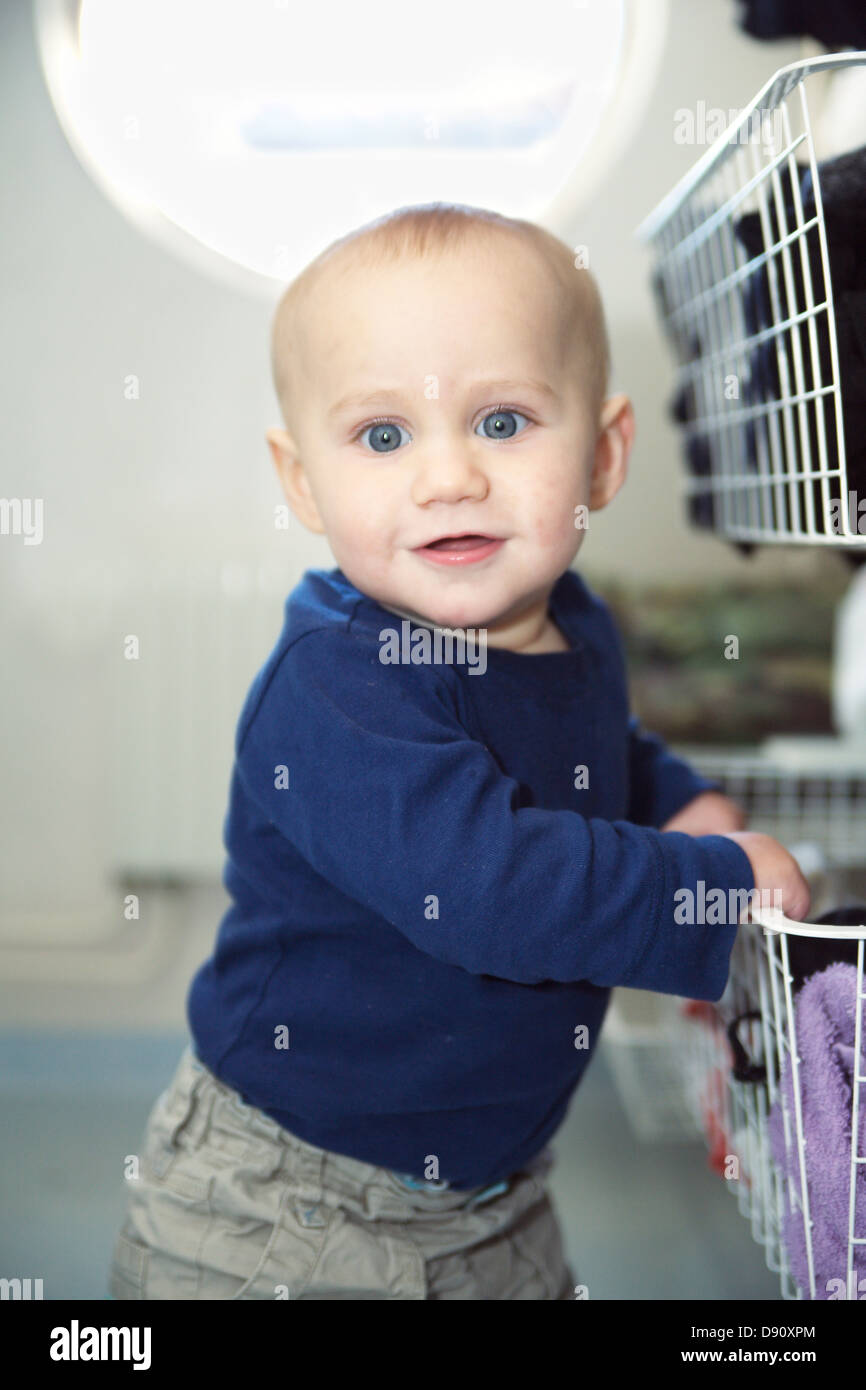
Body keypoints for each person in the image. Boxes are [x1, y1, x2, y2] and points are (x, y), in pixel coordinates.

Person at [108, 202, 810, 1301]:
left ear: (603, 452)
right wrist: (708, 886)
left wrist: (676, 799)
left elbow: (592, 754)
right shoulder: (337, 685)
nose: (447, 478)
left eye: (501, 422)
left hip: (497, 1186)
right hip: (290, 1202)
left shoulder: (571, 622)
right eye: (382, 436)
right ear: (302, 481)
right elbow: (486, 888)